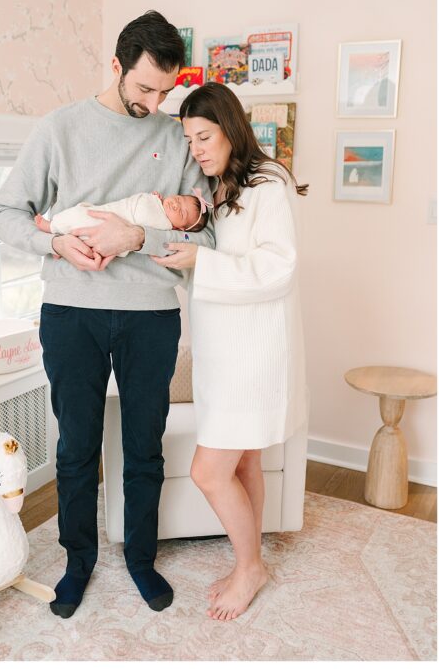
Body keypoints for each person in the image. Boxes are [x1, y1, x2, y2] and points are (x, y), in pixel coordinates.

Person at [0, 10, 214, 618]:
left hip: (149, 315)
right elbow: (5, 214)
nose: (156, 102)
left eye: (166, 90)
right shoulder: (58, 129)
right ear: (115, 66)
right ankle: (77, 561)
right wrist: (54, 243)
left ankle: (141, 558)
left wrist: (136, 237)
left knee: (144, 445)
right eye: (145, 87)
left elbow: (207, 237)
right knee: (75, 449)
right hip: (71, 311)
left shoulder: (176, 137)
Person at [152, 81, 308, 621]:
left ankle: (250, 569)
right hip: (221, 352)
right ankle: (252, 561)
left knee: (209, 471)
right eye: (189, 138)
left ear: (230, 129)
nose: (195, 147)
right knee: (244, 465)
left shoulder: (267, 185)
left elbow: (278, 267)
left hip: (253, 354)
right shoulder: (216, 189)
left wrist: (201, 263)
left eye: (204, 135)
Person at [34, 188, 211, 256]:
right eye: (179, 199)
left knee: (80, 220)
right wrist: (155, 199)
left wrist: (151, 203)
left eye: (181, 212)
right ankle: (57, 237)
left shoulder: (163, 226)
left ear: (179, 228)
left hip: (114, 230)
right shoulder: (159, 205)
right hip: (109, 212)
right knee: (82, 214)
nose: (175, 204)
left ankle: (51, 226)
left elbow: (143, 217)